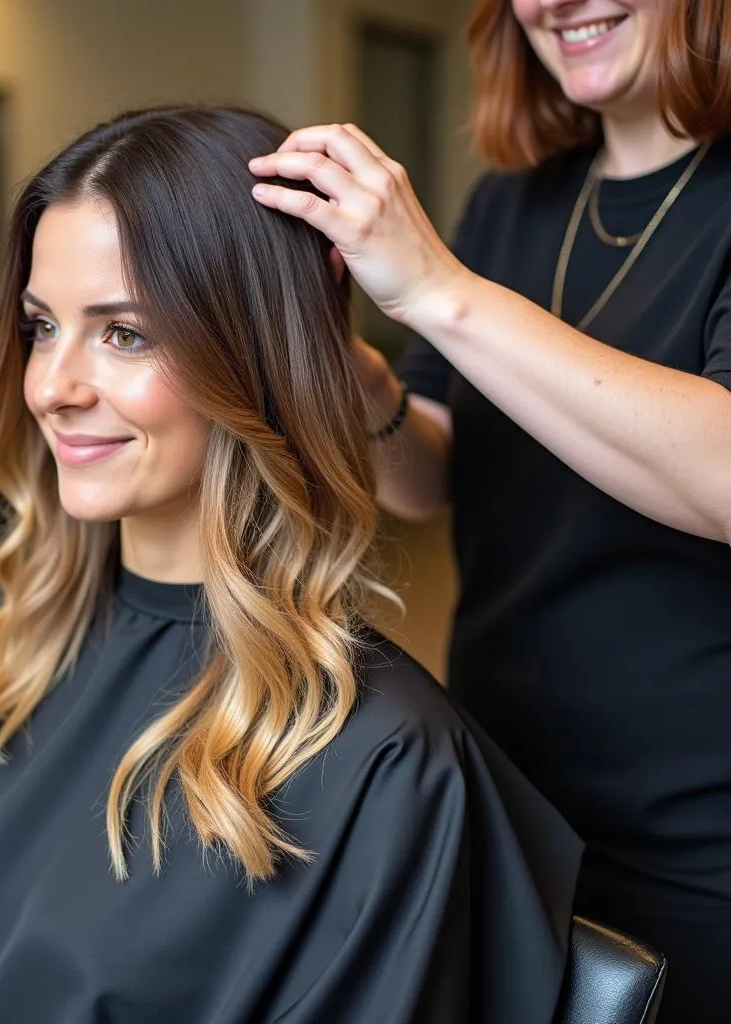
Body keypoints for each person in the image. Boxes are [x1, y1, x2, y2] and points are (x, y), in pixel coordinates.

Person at [0, 106, 581, 1023]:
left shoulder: (381, 762)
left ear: (256, 361)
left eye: (125, 333)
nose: (52, 387)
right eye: (43, 327)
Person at [248, 1, 731, 1019]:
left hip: (699, 835)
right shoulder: (510, 205)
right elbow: (428, 475)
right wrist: (354, 372)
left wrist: (436, 290)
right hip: (509, 790)